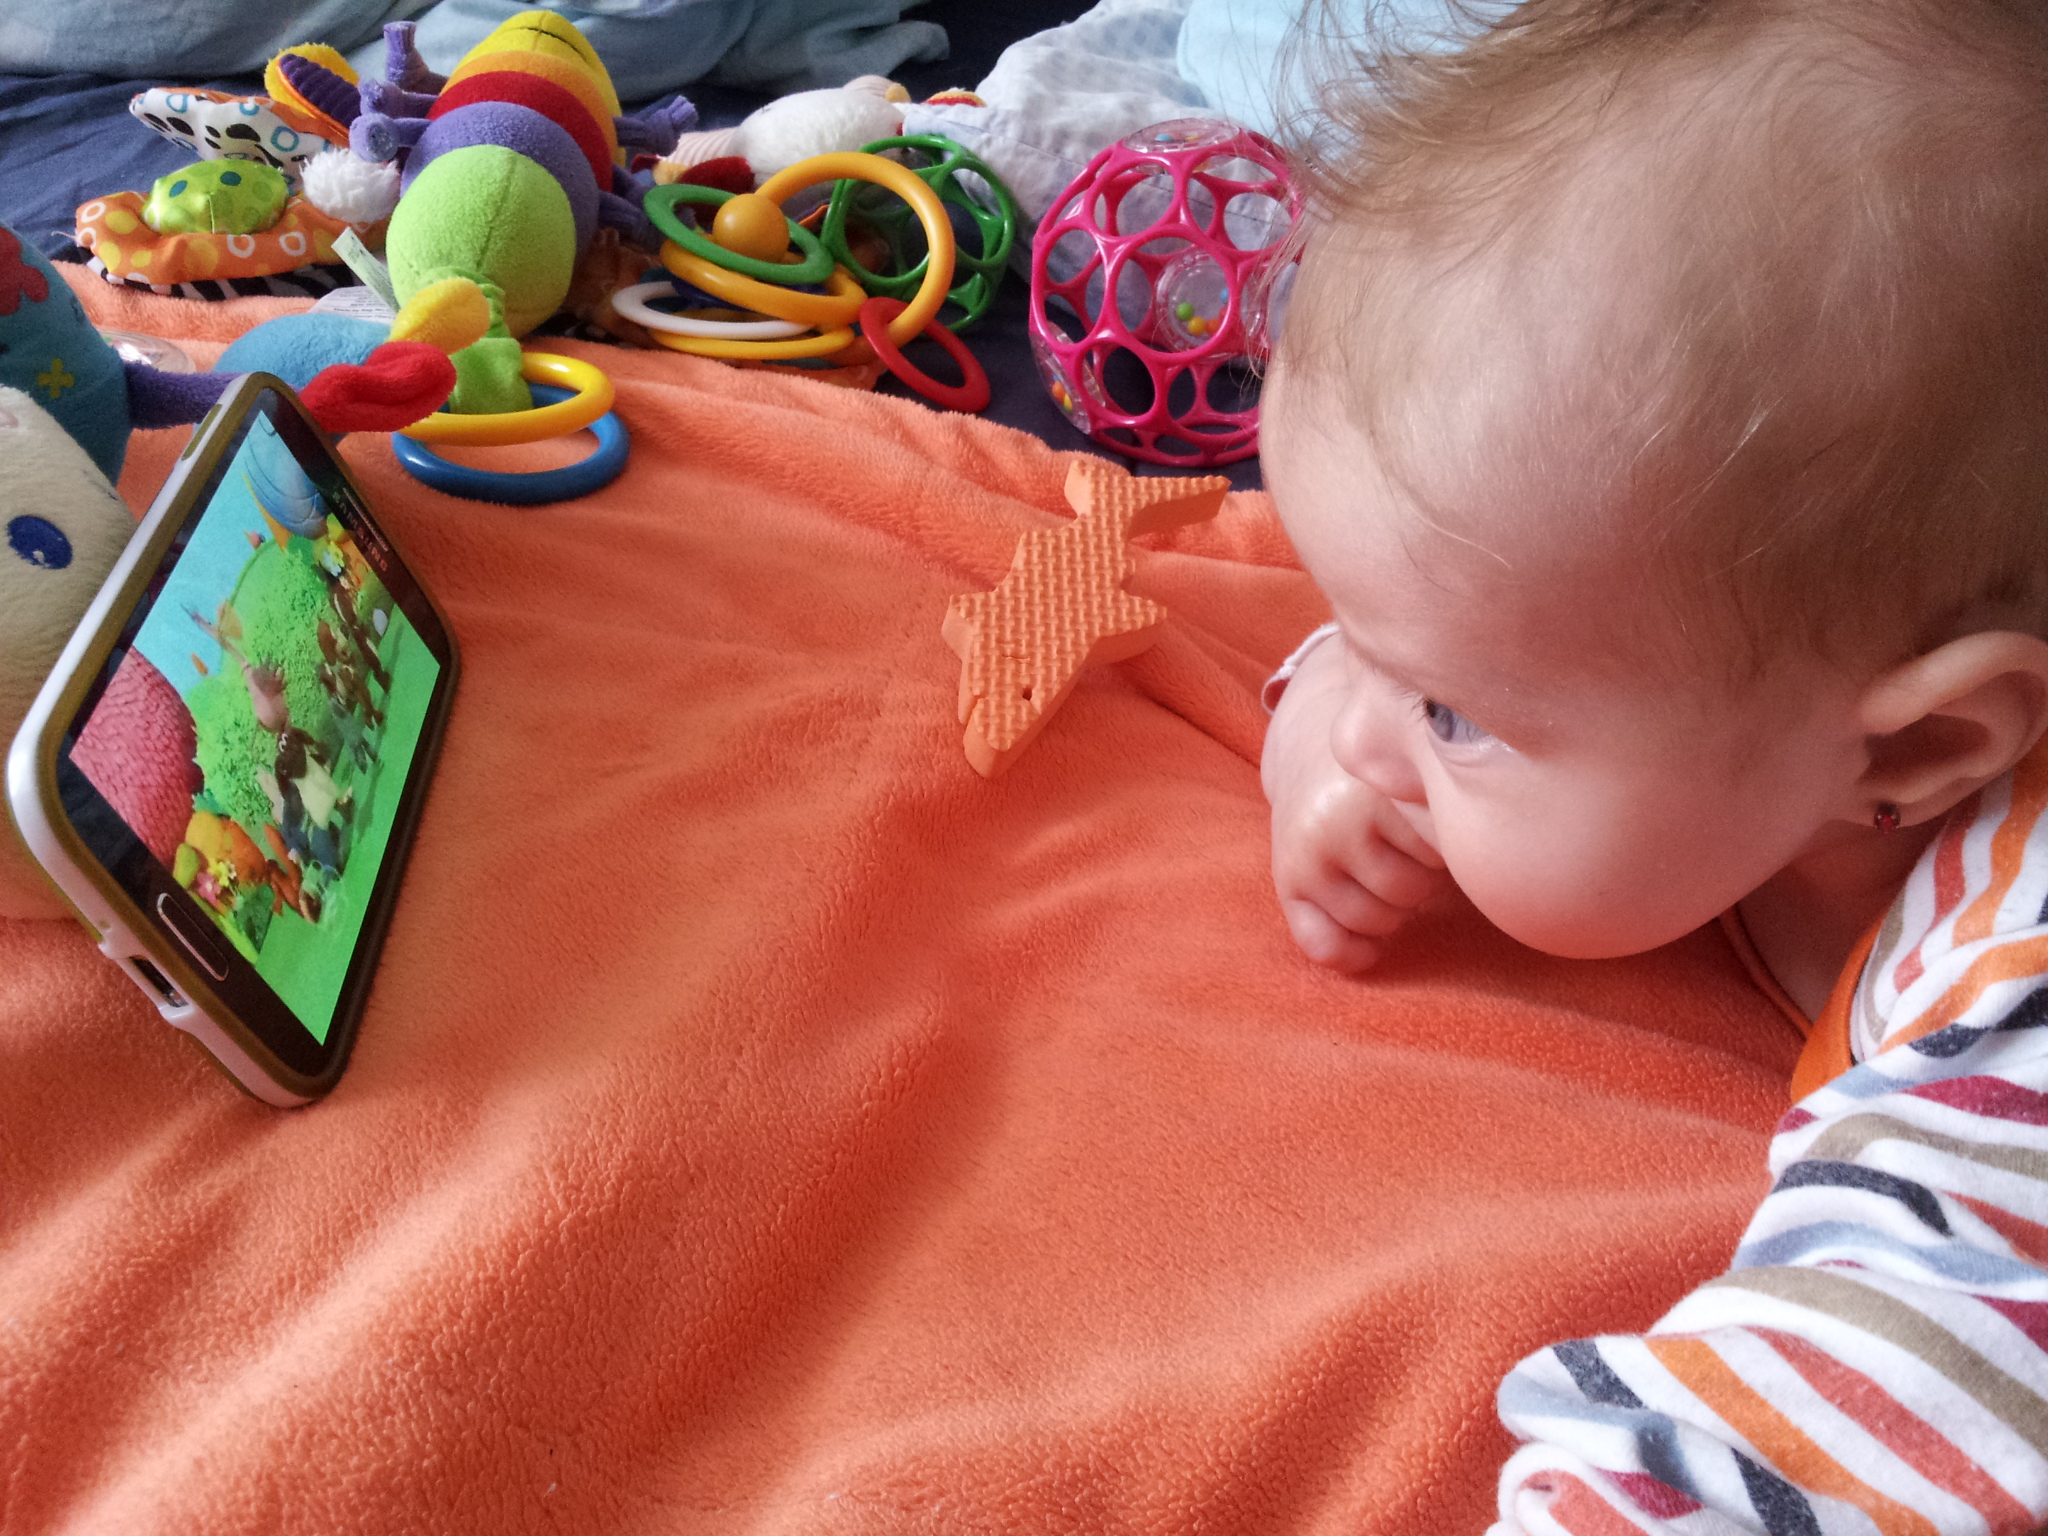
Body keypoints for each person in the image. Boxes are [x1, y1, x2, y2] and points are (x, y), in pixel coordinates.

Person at [1256, 1, 2048, 1530]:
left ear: (1920, 746)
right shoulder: (1732, 659)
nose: (1364, 726)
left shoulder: (2015, 1012)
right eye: (1361, 642)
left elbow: (1865, 1412)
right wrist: (1337, 714)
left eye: (1452, 716)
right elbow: (1460, 623)